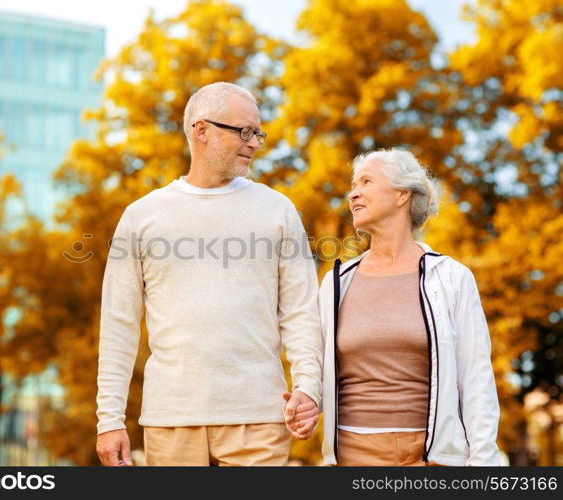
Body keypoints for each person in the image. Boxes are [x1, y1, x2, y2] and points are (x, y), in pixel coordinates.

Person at [95, 82, 322, 466]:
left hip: (259, 418)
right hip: (171, 420)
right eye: (244, 131)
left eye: (258, 133)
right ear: (201, 130)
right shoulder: (141, 216)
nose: (254, 143)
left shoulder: (278, 210)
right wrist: (109, 419)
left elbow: (301, 311)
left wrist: (309, 387)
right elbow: (119, 325)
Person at [316, 148, 501, 466]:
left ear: (402, 193)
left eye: (366, 181)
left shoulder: (451, 278)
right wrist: (305, 402)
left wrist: (483, 463)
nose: (353, 193)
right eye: (353, 185)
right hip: (353, 454)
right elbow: (317, 370)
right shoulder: (337, 283)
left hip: (433, 457)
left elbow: (476, 379)